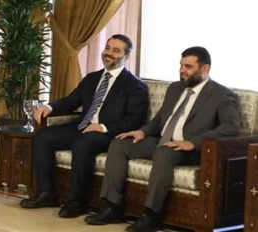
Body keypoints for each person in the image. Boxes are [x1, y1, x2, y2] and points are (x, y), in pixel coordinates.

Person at [86, 46, 240, 232]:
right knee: (119, 144)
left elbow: (231, 127)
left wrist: (193, 143)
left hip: (188, 148)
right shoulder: (175, 88)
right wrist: (143, 131)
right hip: (161, 140)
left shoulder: (221, 94)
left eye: (188, 67)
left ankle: (151, 215)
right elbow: (160, 119)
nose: (182, 70)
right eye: (181, 65)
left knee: (163, 153)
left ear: (205, 69)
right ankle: (112, 207)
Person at [20, 34, 148, 218]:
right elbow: (72, 100)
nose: (109, 53)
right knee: (43, 136)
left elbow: (135, 120)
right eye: (107, 48)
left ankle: (76, 201)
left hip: (109, 133)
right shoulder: (92, 78)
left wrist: (102, 127)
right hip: (82, 127)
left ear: (126, 57)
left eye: (116, 50)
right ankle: (46, 193)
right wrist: (49, 107)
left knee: (83, 143)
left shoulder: (135, 86)